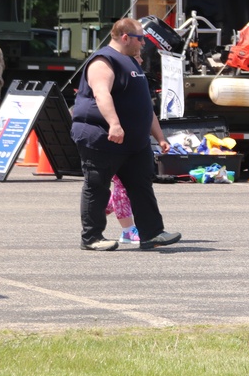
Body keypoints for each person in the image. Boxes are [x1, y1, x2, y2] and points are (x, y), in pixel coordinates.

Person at [71, 17, 181, 251]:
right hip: (103, 137)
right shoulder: (103, 61)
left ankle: (152, 233)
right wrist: (114, 124)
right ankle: (92, 238)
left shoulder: (132, 62)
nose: (143, 43)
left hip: (134, 142)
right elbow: (102, 95)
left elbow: (145, 106)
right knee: (97, 186)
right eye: (141, 38)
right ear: (125, 37)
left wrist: (159, 137)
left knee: (142, 185)